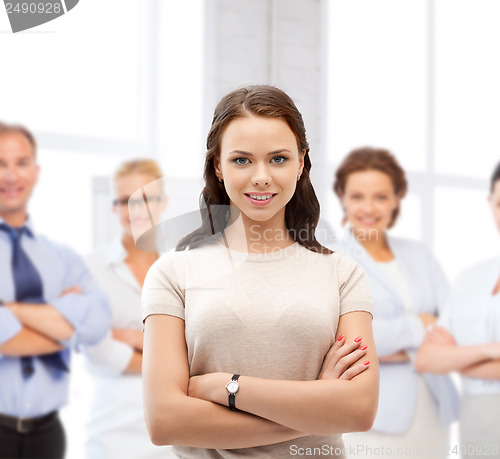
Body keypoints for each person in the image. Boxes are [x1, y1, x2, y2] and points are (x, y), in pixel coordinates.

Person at [141, 85, 379, 458]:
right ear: (217, 166)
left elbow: (359, 409)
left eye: (279, 159)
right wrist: (320, 408)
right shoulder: (173, 273)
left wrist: (227, 388)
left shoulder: (342, 275)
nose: (262, 176)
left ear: (302, 162)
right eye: (241, 160)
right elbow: (164, 421)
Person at [332, 147, 458, 458]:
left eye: (381, 196)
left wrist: (392, 347)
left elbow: (454, 323)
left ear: (396, 199)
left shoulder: (420, 254)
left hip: (434, 408)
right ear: (343, 198)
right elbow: (347, 341)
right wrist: (420, 326)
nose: (369, 207)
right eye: (358, 196)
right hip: (376, 415)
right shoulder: (332, 259)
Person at [0, 121, 111, 459]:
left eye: (21, 163)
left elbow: (96, 324)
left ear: (35, 171)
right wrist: (64, 322)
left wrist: (12, 310)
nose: (11, 176)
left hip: (48, 436)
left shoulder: (61, 257)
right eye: (0, 164)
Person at [84, 159, 175, 459]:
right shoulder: (92, 269)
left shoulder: (181, 267)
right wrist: (166, 358)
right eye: (125, 201)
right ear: (113, 207)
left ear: (163, 203)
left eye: (146, 199)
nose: (136, 210)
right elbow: (97, 350)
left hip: (174, 421)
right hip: (113, 426)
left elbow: (196, 346)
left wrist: (134, 339)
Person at [416, 161, 500, 458]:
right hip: (474, 422)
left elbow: (442, 359)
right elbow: (426, 358)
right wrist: (492, 350)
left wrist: (453, 358)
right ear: (490, 204)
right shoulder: (470, 277)